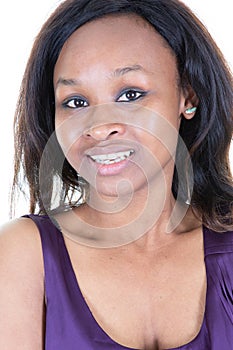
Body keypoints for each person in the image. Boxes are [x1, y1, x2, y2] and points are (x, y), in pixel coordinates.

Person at [0, 0, 232, 349]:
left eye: (130, 94)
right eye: (75, 102)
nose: (98, 126)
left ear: (188, 95)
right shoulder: (23, 255)